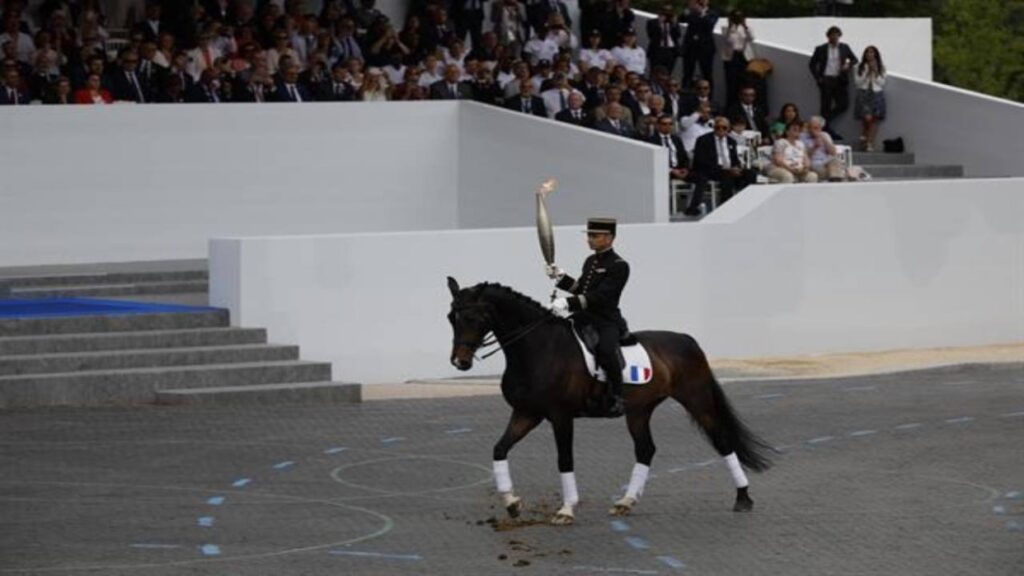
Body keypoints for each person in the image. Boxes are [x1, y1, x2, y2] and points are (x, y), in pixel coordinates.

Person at [546, 217, 630, 418]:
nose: (590, 240)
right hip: (584, 316)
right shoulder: (591, 261)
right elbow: (581, 289)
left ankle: (618, 397)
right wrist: (561, 278)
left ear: (609, 238)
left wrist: (567, 303)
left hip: (606, 319)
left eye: (595, 236)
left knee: (606, 350)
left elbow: (601, 297)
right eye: (589, 236)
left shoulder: (619, 265)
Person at [686, 116, 757, 215]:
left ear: (728, 129)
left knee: (751, 173)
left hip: (729, 169)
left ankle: (747, 203)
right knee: (727, 175)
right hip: (711, 169)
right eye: (718, 127)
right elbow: (700, 161)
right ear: (714, 127)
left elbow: (735, 160)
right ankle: (725, 207)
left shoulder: (731, 141)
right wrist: (725, 169)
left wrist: (737, 167)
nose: (721, 130)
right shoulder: (703, 140)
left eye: (724, 128)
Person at [808, 26, 857, 140]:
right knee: (825, 106)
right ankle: (826, 131)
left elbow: (855, 59)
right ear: (828, 36)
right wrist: (818, 78)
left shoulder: (845, 47)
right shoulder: (821, 48)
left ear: (839, 36)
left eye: (836, 35)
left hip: (840, 80)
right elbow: (812, 64)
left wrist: (847, 64)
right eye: (832, 35)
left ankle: (823, 122)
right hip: (826, 80)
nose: (834, 38)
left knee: (843, 104)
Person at [854, 45, 886, 152]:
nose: (870, 54)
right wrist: (867, 73)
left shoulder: (881, 67)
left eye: (872, 52)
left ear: (875, 54)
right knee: (866, 119)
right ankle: (864, 140)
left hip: (877, 94)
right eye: (867, 52)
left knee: (874, 120)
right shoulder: (859, 66)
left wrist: (876, 72)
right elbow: (857, 83)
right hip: (864, 93)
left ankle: (869, 143)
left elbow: (882, 83)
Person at [721, 9, 753, 109]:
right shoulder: (726, 28)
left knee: (744, 82)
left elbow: (751, 38)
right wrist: (731, 27)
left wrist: (745, 26)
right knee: (731, 83)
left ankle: (743, 105)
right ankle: (730, 106)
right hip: (731, 57)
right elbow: (728, 40)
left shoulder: (745, 28)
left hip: (743, 57)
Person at [801, 116, 845, 181]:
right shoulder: (802, 136)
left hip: (825, 161)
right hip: (813, 162)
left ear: (820, 128)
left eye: (815, 128)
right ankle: (834, 179)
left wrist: (825, 140)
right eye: (810, 127)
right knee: (831, 171)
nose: (811, 130)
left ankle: (835, 182)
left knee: (835, 161)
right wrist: (814, 147)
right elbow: (803, 155)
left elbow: (833, 153)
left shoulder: (825, 135)